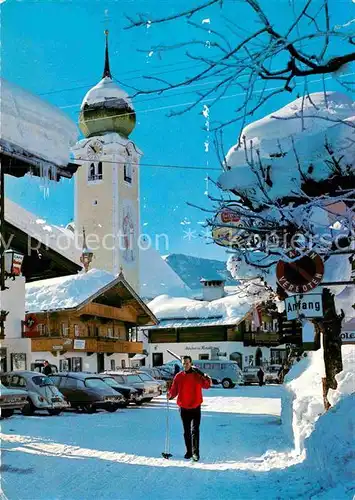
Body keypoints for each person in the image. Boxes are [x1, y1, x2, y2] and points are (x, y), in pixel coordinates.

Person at [168, 355, 211, 462]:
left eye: (187, 363)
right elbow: (174, 390)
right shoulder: (178, 376)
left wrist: (204, 375)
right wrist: (169, 395)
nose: (185, 365)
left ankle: (196, 453)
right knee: (186, 431)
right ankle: (189, 452)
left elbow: (207, 385)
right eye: (183, 363)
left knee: (195, 431)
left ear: (191, 363)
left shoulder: (197, 375)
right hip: (183, 408)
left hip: (196, 407)